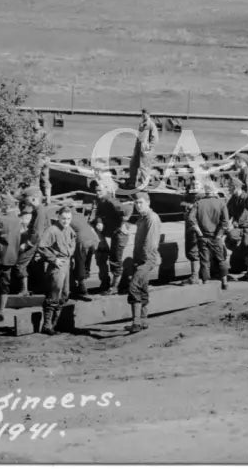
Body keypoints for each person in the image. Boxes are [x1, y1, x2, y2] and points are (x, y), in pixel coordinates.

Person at [36, 206, 77, 335]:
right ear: (58, 217)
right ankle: (47, 325)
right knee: (54, 293)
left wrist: (70, 257)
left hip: (67, 264)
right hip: (57, 266)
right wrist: (54, 259)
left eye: (68, 218)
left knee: (64, 294)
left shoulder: (69, 229)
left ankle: (55, 324)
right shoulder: (52, 230)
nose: (66, 221)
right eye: (63, 218)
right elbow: (41, 246)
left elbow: (73, 242)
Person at [127, 192, 162, 333]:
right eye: (136, 203)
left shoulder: (152, 218)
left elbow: (151, 242)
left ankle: (136, 323)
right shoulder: (142, 218)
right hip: (141, 259)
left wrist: (145, 262)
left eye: (141, 202)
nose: (138, 205)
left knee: (133, 287)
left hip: (147, 259)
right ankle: (143, 321)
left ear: (148, 202)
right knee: (142, 288)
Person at [188, 181, 231, 289]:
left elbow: (191, 218)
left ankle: (206, 283)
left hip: (203, 237)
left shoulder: (198, 203)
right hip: (216, 237)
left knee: (205, 261)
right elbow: (225, 221)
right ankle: (224, 281)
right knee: (221, 259)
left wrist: (199, 232)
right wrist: (219, 234)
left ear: (205, 191)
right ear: (214, 190)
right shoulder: (221, 203)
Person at [92, 181, 130, 295]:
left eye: (100, 190)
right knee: (110, 257)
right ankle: (110, 284)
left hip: (119, 233)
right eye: (96, 190)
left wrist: (123, 223)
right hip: (112, 232)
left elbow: (127, 210)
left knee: (115, 259)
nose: (97, 193)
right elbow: (98, 214)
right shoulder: (101, 201)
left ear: (107, 190)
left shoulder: (111, 201)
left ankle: (115, 287)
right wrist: (99, 221)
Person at [14, 186, 50, 296]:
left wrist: (27, 245)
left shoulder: (39, 212)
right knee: (35, 265)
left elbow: (37, 233)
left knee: (20, 264)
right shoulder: (38, 210)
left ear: (33, 198)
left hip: (35, 242)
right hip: (38, 242)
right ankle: (38, 287)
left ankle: (24, 290)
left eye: (26, 198)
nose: (25, 201)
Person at [226, 178, 248, 281]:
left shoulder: (245, 197)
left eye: (229, 187)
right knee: (230, 241)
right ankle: (240, 265)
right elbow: (227, 212)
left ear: (235, 187)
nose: (228, 189)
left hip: (247, 227)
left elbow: (246, 214)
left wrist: (236, 223)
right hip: (239, 227)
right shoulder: (234, 198)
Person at [69, 207, 98, 302]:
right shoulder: (80, 216)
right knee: (86, 263)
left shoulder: (69, 218)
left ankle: (82, 290)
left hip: (82, 241)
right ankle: (82, 281)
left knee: (80, 263)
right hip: (92, 241)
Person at [128, 109, 159, 189]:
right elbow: (139, 136)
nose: (143, 116)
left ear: (148, 114)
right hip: (138, 147)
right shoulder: (141, 124)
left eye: (145, 114)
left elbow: (155, 138)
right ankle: (132, 182)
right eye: (142, 114)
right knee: (133, 164)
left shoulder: (151, 125)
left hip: (145, 149)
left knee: (144, 166)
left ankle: (144, 185)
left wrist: (149, 147)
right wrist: (136, 147)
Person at [33, 121, 53, 205]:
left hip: (39, 159)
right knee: (45, 179)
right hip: (47, 158)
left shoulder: (35, 135)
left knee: (36, 179)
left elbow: (34, 149)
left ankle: (37, 200)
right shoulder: (46, 134)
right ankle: (48, 199)